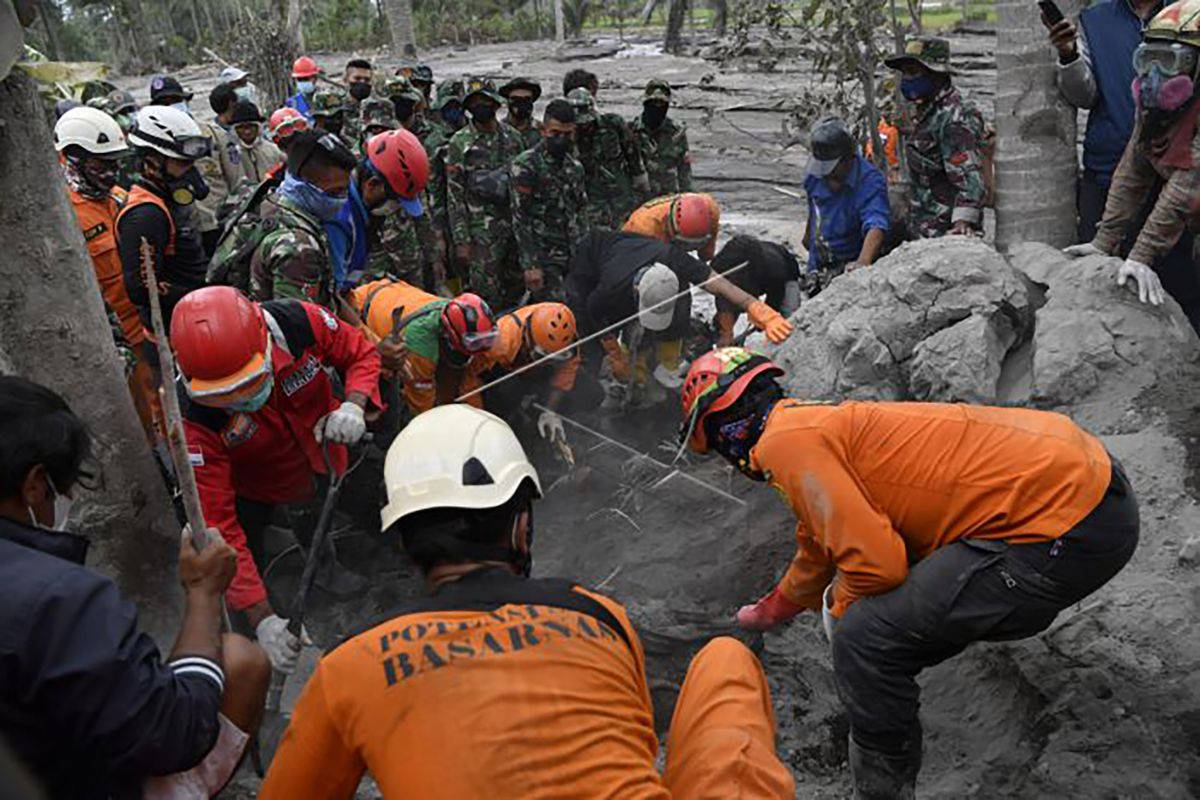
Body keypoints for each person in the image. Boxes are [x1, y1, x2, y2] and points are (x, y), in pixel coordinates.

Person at [259, 403, 795, 799]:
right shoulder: (598, 614)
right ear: (521, 528)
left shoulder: (349, 667)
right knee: (726, 658)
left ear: (404, 544)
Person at [678, 347, 1139, 798]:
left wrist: (842, 621)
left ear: (723, 430)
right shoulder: (807, 422)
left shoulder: (782, 444)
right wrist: (770, 611)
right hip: (1085, 483)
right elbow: (821, 538)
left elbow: (876, 566)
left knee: (864, 636)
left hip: (1065, 529)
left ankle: (883, 787)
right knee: (867, 609)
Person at [0, 375, 271, 798]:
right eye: (62, 487)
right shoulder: (54, 597)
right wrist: (203, 593)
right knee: (240, 661)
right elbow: (173, 735)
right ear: (35, 483)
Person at [172, 287, 380, 674]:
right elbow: (219, 527)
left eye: (249, 384)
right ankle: (250, 646)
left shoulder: (296, 323)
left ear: (265, 346)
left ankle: (324, 568)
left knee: (316, 511)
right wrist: (262, 615)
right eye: (226, 396)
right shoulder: (192, 421)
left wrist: (355, 402)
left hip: (322, 449)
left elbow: (360, 352)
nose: (242, 400)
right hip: (252, 485)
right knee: (238, 569)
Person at [1064, 1, 1200, 331]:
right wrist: (1104, 241)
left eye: (1169, 61)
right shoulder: (1156, 103)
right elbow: (1133, 169)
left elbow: (1187, 186)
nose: (1155, 75)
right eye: (1147, 59)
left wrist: (1140, 256)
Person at [566, 231, 793, 402]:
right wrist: (615, 354)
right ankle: (583, 387)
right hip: (591, 260)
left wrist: (753, 305)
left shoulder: (674, 259)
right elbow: (594, 311)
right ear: (636, 293)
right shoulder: (609, 287)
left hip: (634, 260)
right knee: (588, 330)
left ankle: (643, 371)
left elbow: (718, 283)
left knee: (657, 327)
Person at [54, 107, 161, 442]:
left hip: (150, 332)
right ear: (72, 158)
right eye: (101, 164)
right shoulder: (62, 216)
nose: (111, 171)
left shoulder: (119, 198)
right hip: (117, 346)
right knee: (143, 427)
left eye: (114, 162)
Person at [1047, 0, 1166, 242]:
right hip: (1107, 170)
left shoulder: (1188, 13)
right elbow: (1085, 96)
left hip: (1172, 175)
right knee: (1097, 267)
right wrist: (1069, 54)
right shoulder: (1093, 20)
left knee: (1175, 273)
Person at [116, 105, 212, 332]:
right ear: (151, 162)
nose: (190, 173)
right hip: (177, 331)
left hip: (198, 317)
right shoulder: (146, 215)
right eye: (182, 163)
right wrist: (202, 295)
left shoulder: (168, 197)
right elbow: (142, 289)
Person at [884, 36, 988, 238]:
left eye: (913, 72)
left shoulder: (955, 117)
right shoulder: (926, 109)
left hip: (943, 230)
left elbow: (969, 179)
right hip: (921, 224)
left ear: (936, 74)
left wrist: (962, 223)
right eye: (904, 72)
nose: (906, 79)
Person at [348, 279, 497, 416]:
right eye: (475, 343)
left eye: (488, 339)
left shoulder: (453, 311)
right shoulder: (420, 344)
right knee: (387, 379)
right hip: (360, 305)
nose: (482, 348)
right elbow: (420, 400)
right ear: (451, 334)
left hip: (393, 291)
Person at [250, 130, 357, 309]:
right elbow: (300, 326)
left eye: (345, 190)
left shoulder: (275, 199)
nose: (341, 200)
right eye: (333, 193)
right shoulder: (299, 249)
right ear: (304, 184)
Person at [446, 77, 524, 308]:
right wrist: (462, 240)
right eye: (474, 102)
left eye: (485, 101)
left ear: (496, 103)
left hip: (513, 226)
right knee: (485, 292)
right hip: (480, 232)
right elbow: (454, 195)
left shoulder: (513, 138)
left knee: (517, 286)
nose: (480, 106)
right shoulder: (459, 143)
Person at [469, 303, 590, 445]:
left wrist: (549, 410)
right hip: (507, 372)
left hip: (534, 371)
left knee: (592, 392)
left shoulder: (567, 335)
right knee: (508, 391)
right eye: (542, 355)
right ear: (527, 337)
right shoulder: (500, 343)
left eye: (554, 358)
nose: (547, 361)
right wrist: (478, 421)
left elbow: (567, 370)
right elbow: (471, 381)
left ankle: (539, 412)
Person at [510, 98, 590, 303]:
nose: (561, 139)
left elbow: (580, 211)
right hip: (544, 257)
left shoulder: (575, 167)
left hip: (572, 254)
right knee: (552, 315)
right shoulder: (526, 165)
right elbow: (521, 217)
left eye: (567, 134)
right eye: (555, 133)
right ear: (543, 130)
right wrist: (531, 265)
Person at [150, 75, 241, 256]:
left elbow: (237, 181)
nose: (171, 106)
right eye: (164, 103)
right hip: (179, 232)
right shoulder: (152, 146)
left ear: (185, 101)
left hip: (217, 226)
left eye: (175, 100)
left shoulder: (213, 135)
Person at [334, 128, 434, 292]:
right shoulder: (339, 220)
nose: (396, 208)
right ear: (372, 185)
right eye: (395, 200)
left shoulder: (365, 212)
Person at [803, 116, 892, 283]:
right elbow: (813, 206)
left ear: (848, 159)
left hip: (848, 264)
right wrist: (809, 236)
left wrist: (863, 261)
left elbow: (876, 223)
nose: (827, 175)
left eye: (832, 169)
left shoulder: (869, 181)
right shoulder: (814, 175)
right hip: (819, 263)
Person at [567, 87, 651, 229]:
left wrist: (641, 180)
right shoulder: (567, 136)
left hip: (621, 194)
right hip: (592, 200)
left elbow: (632, 152)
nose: (584, 125)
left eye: (587, 122)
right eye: (580, 123)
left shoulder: (613, 124)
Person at [709, 235, 803, 346]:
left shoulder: (773, 269)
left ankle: (788, 349)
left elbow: (775, 298)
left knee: (789, 318)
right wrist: (726, 332)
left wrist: (762, 321)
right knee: (728, 312)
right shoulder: (721, 265)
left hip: (787, 273)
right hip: (753, 275)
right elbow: (723, 299)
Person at [630, 78, 694, 196]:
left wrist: (688, 198)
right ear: (646, 104)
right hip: (638, 199)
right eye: (653, 103)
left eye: (662, 104)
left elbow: (685, 172)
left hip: (668, 198)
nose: (657, 107)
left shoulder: (676, 133)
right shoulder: (630, 131)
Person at [623, 191, 721, 262]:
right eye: (684, 244)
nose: (690, 249)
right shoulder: (641, 228)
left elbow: (707, 254)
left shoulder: (710, 211)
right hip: (640, 249)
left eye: (695, 245)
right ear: (669, 228)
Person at [230, 100, 283, 186]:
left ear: (258, 127)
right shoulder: (232, 156)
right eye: (241, 127)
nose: (247, 132)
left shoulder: (274, 150)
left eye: (251, 126)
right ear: (235, 130)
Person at [499, 76, 542, 150]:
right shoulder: (498, 131)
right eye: (516, 99)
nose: (521, 103)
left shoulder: (543, 131)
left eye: (526, 99)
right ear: (507, 101)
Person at [341, 58, 375, 145]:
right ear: (346, 80)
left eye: (367, 80)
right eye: (357, 78)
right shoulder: (336, 108)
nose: (362, 83)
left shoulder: (378, 107)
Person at [287, 56, 321, 121]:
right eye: (300, 79)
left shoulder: (326, 99)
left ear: (315, 78)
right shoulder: (292, 103)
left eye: (306, 79)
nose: (303, 82)